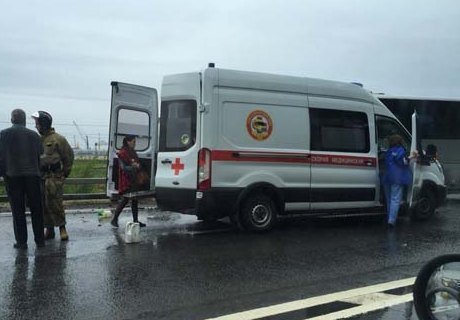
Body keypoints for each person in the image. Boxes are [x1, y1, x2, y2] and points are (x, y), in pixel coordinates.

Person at [0, 109, 45, 249]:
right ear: (25, 120)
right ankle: (40, 240)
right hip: (33, 176)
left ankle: (21, 242)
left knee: (17, 210)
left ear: (12, 119)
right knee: (37, 209)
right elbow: (41, 153)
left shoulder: (3, 135)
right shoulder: (34, 136)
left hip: (13, 176)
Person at [31, 111, 74, 241]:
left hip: (54, 177)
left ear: (44, 124)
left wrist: (64, 174)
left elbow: (69, 157)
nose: (36, 126)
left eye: (37, 123)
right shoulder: (37, 140)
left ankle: (62, 228)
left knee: (56, 202)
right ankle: (49, 229)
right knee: (44, 204)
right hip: (41, 176)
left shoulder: (58, 139)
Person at [111, 135, 146, 228]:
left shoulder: (132, 152)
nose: (135, 144)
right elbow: (123, 168)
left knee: (134, 200)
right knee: (125, 199)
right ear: (128, 142)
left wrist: (138, 166)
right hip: (126, 179)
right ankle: (114, 219)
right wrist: (134, 167)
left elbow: (137, 163)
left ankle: (135, 221)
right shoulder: (122, 153)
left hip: (133, 178)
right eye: (134, 142)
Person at [383, 134, 414, 227]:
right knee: (395, 199)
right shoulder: (400, 150)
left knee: (389, 200)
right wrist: (411, 157)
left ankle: (389, 217)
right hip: (397, 177)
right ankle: (391, 221)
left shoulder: (388, 151)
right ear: (400, 142)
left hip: (387, 177)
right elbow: (403, 162)